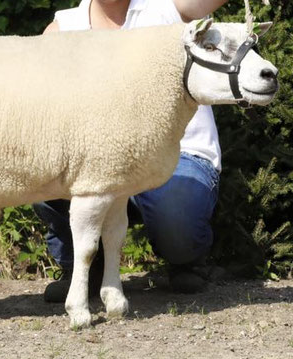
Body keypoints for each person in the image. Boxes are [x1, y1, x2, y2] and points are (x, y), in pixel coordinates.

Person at [34, 0, 228, 302]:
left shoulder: (173, 9)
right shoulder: (60, 31)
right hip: (94, 164)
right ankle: (81, 267)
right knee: (43, 166)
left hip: (177, 159)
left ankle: (185, 260)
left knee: (176, 211)